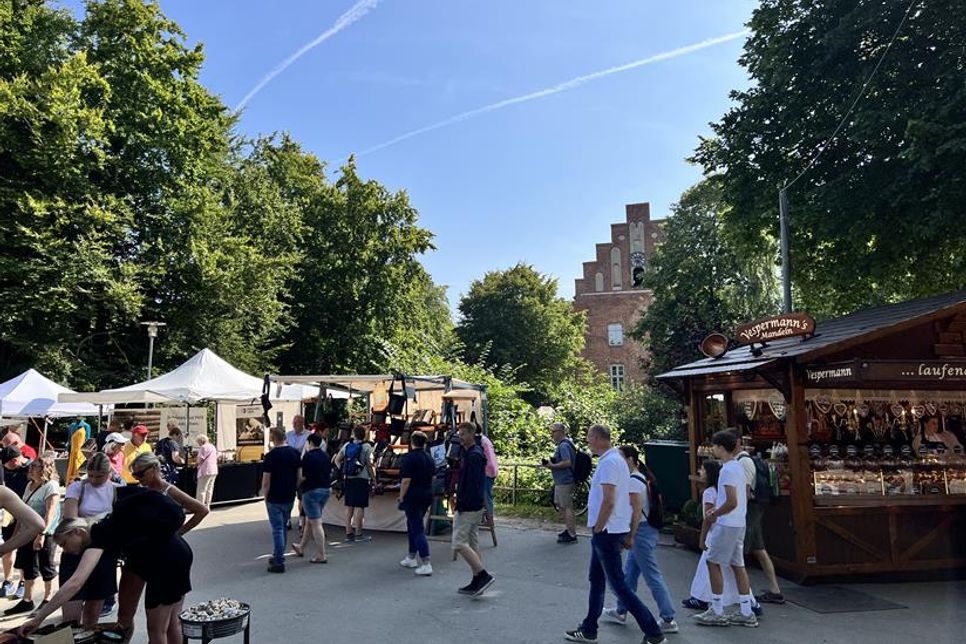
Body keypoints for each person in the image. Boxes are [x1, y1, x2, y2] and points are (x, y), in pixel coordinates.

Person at [21, 484, 198, 644]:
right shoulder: (105, 525)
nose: (65, 551)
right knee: (160, 622)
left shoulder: (99, 535)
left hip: (168, 561)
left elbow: (76, 582)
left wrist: (39, 618)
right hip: (164, 554)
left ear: (77, 532)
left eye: (64, 544)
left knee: (159, 628)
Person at [565, 424, 666, 644]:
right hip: (612, 529)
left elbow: (609, 500)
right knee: (598, 579)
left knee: (617, 584)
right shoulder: (616, 460)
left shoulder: (610, 462)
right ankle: (589, 628)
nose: (588, 442)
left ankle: (653, 632)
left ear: (599, 438)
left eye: (590, 437)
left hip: (607, 530)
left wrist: (599, 525)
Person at [115, 452, 209, 642]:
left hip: (167, 556)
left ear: (154, 469)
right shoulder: (141, 491)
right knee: (156, 619)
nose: (138, 479)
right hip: (144, 556)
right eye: (135, 475)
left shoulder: (168, 490)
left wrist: (179, 532)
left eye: (140, 474)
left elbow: (202, 509)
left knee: (166, 623)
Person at [603, 445, 678, 634]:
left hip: (641, 532)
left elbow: (635, 511)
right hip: (646, 530)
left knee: (651, 575)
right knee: (630, 573)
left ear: (629, 459)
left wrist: (629, 535)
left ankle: (668, 617)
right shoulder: (641, 478)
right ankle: (622, 609)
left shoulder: (633, 481)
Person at [694, 430, 758, 628]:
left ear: (721, 447)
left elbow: (731, 501)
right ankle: (746, 610)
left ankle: (717, 609)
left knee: (713, 562)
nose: (713, 449)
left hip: (727, 522)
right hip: (739, 521)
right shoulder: (738, 467)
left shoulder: (727, 470)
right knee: (738, 565)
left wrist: (715, 513)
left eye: (714, 446)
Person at [60, 453, 120, 626]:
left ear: (108, 474)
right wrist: (99, 522)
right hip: (77, 547)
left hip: (103, 552)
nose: (93, 480)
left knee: (92, 617)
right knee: (70, 616)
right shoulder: (78, 487)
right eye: (90, 475)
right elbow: (70, 519)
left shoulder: (116, 489)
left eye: (99, 476)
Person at [6, 455, 61, 615]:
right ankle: (27, 600)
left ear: (45, 468)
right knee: (27, 566)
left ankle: (47, 599)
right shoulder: (29, 485)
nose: (30, 468)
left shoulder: (51, 486)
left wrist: (42, 534)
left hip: (45, 533)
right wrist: (15, 535)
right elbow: (22, 512)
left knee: (46, 566)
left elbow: (50, 513)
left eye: (35, 466)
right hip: (27, 532)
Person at [682, 460, 738, 612]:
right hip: (727, 530)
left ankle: (701, 597)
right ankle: (742, 598)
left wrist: (702, 537)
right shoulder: (722, 491)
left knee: (707, 567)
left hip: (713, 533)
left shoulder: (708, 493)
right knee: (730, 567)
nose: (700, 472)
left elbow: (708, 518)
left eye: (702, 470)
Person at [736, 440, 784, 606]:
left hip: (750, 510)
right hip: (754, 508)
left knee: (740, 551)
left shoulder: (743, 462)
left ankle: (744, 595)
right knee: (759, 549)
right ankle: (775, 590)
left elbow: (746, 491)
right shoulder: (742, 461)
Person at [452, 422, 494, 595]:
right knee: (471, 541)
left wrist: (462, 502)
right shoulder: (473, 454)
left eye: (463, 434)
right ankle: (477, 578)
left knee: (459, 543)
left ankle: (483, 575)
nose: (460, 437)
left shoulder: (474, 456)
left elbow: (474, 484)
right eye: (459, 434)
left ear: (471, 434)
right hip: (473, 504)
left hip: (468, 506)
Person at [261, 427, 301, 573]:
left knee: (277, 529)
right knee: (283, 526)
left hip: (274, 496)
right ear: (285, 438)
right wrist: (294, 489)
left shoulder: (270, 456)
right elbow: (299, 476)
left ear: (273, 439)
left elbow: (266, 480)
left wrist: (265, 495)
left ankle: (279, 560)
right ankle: (278, 554)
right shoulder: (295, 453)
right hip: (289, 495)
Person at [398, 430, 435, 576]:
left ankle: (426, 562)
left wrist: (401, 496)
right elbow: (433, 477)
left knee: (417, 527)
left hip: (413, 495)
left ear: (412, 442)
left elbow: (406, 481)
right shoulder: (429, 458)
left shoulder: (409, 458)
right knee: (412, 524)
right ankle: (411, 556)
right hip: (426, 493)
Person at [291, 433, 331, 564]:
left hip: (311, 491)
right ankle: (301, 547)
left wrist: (296, 485)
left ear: (310, 443)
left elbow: (302, 476)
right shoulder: (326, 456)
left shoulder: (307, 457)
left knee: (316, 522)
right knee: (310, 520)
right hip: (325, 490)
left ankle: (321, 554)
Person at [334, 425, 374, 543]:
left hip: (349, 478)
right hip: (361, 479)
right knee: (359, 506)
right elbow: (369, 465)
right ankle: (359, 533)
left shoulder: (347, 445)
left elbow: (337, 459)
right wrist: (374, 479)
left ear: (353, 434)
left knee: (349, 506)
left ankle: (348, 532)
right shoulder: (367, 447)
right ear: (364, 435)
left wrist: (343, 470)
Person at [1, 445, 31, 600]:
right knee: (8, 547)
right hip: (9, 514)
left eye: (9, 464)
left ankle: (22, 582)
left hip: (26, 514)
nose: (7, 468)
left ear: (15, 460)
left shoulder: (31, 469)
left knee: (24, 551)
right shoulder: (4, 469)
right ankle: (7, 580)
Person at [544, 422, 578, 543]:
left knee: (567, 506)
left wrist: (552, 465)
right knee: (561, 506)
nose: (552, 434)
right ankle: (568, 529)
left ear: (561, 432)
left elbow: (567, 462)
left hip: (565, 480)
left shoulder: (564, 446)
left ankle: (572, 533)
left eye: (554, 431)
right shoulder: (565, 444)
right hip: (561, 480)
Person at [477, 427, 499, 522]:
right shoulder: (485, 440)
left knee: (486, 496)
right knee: (484, 495)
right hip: (491, 470)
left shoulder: (482, 442)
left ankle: (490, 519)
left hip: (487, 471)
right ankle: (486, 518)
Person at [194, 435, 219, 508]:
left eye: (198, 442)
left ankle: (200, 506)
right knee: (210, 489)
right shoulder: (213, 447)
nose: (198, 444)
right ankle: (207, 505)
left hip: (205, 470)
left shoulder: (203, 447)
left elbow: (199, 460)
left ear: (201, 441)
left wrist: (196, 463)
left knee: (201, 489)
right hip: (214, 470)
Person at [66, 419, 88, 483]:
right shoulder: (72, 426)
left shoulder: (86, 426)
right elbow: (69, 439)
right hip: (73, 452)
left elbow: (87, 439)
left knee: (77, 471)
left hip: (79, 454)